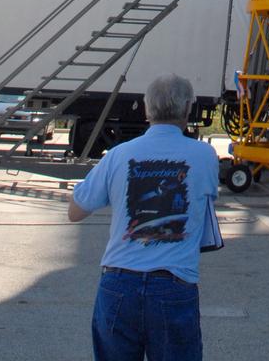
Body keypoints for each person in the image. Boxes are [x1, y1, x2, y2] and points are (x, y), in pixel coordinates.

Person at [68, 72, 220, 361]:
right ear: (189, 108)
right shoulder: (205, 156)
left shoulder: (118, 155)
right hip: (173, 286)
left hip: (118, 284)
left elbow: (75, 212)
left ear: (147, 109)